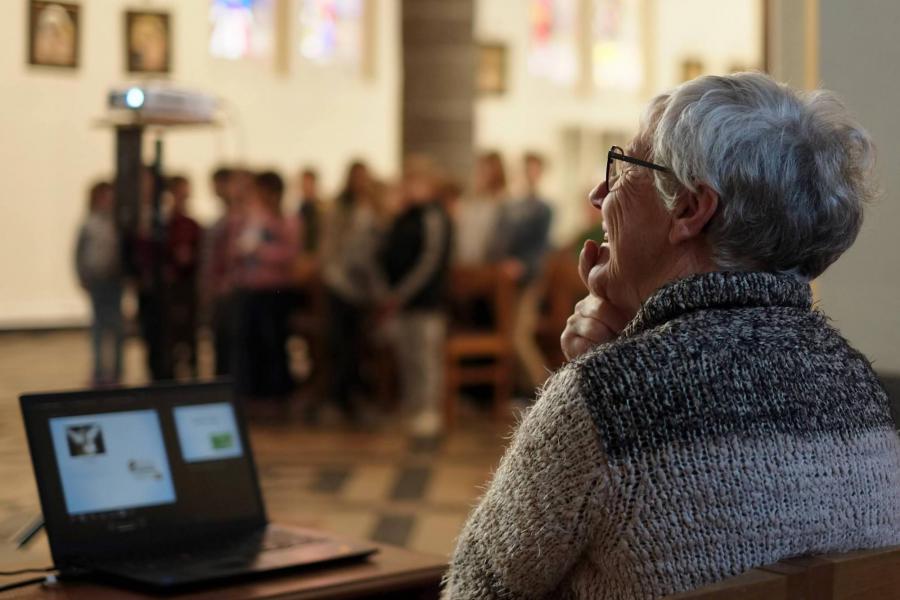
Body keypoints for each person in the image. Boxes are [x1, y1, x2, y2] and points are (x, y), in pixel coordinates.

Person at [444, 73, 900, 599]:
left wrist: (600, 373)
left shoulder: (608, 399)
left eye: (623, 169)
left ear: (688, 208)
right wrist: (626, 347)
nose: (597, 195)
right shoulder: (856, 385)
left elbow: (472, 590)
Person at [378, 156, 453, 436]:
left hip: (426, 299)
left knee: (425, 358)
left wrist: (402, 292)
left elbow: (429, 261)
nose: (410, 187)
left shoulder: (434, 216)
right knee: (407, 357)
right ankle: (412, 408)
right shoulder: (405, 216)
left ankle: (429, 411)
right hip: (402, 300)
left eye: (416, 181)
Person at [320, 161, 381, 421]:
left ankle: (357, 397)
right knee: (340, 343)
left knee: (358, 345)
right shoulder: (340, 208)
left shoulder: (375, 207)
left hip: (363, 286)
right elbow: (330, 245)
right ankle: (338, 399)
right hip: (340, 282)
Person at [231, 171, 298, 399]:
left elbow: (289, 254)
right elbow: (238, 249)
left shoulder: (288, 220)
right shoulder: (254, 218)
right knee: (252, 342)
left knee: (274, 342)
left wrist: (259, 251)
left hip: (276, 291)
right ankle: (255, 392)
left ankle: (276, 393)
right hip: (251, 289)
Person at [492, 152, 554, 391]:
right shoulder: (511, 205)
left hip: (531, 278)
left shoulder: (543, 208)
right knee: (510, 335)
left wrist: (523, 265)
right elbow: (502, 241)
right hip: (508, 279)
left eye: (533, 169)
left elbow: (541, 247)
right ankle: (522, 389)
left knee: (520, 335)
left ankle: (543, 388)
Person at [74, 181, 123, 386]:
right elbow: (79, 253)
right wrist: (82, 275)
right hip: (97, 280)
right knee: (99, 327)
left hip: (114, 280)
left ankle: (117, 371)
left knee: (116, 326)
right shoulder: (89, 224)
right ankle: (99, 371)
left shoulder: (117, 223)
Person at [165, 175, 202, 377]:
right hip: (172, 284)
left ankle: (192, 366)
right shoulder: (165, 223)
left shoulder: (191, 224)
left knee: (190, 328)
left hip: (188, 282)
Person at [454, 151, 507, 265]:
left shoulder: (502, 203)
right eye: (479, 170)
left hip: (487, 264)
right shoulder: (468, 201)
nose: (478, 175)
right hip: (464, 262)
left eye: (484, 171)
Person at [296, 167, 323, 255]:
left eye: (309, 183)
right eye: (304, 183)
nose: (306, 186)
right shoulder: (299, 208)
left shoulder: (322, 208)